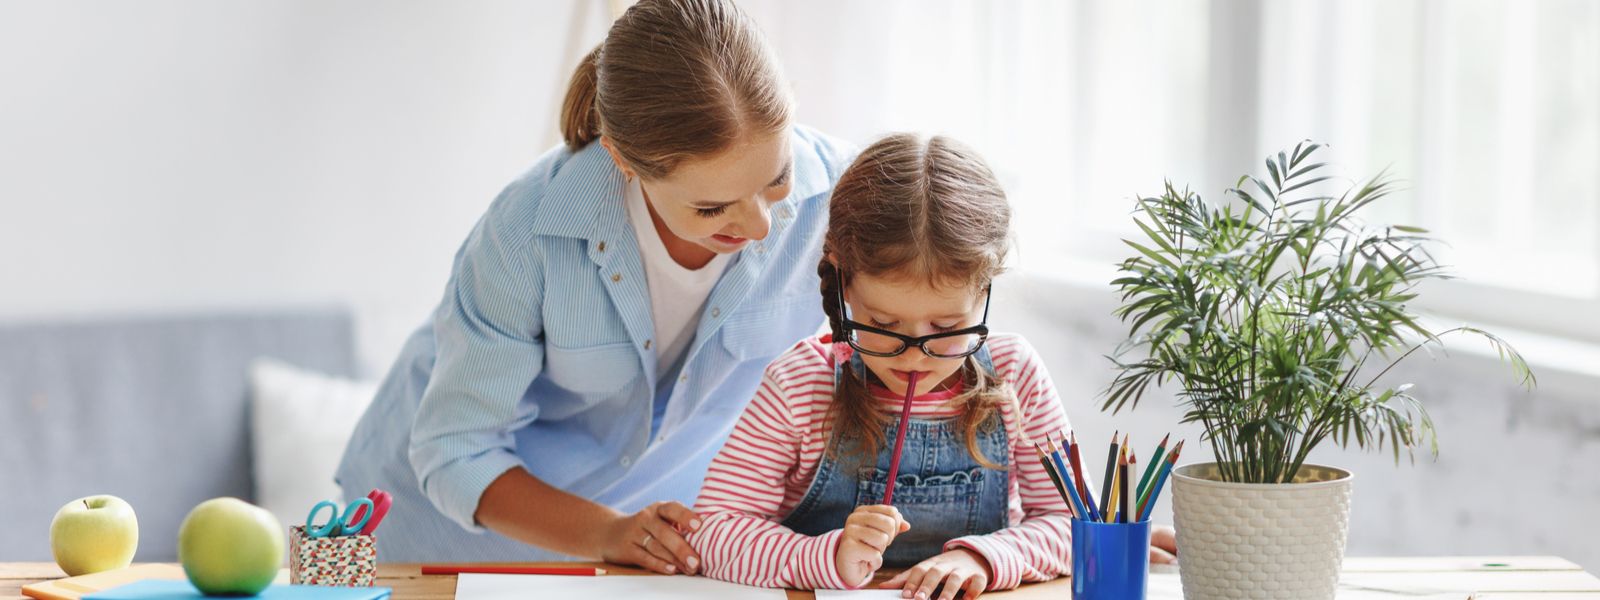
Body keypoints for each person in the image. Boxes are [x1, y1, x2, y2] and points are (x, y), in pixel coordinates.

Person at [335, 0, 852, 570]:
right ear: (624, 161)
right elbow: (456, 449)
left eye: (777, 178)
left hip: (652, 543)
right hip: (443, 530)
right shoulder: (528, 228)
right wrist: (608, 533)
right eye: (712, 208)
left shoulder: (845, 199)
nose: (759, 226)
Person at [688, 134, 1176, 599]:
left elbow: (1077, 526)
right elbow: (715, 531)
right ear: (842, 283)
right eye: (883, 323)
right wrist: (827, 556)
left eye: (945, 325)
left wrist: (984, 560)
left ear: (985, 291)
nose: (915, 353)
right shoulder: (801, 383)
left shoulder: (1014, 374)